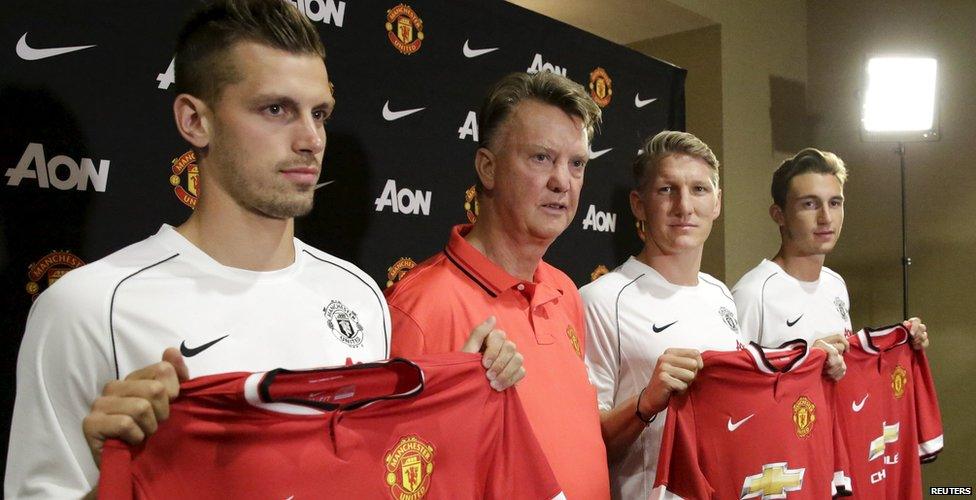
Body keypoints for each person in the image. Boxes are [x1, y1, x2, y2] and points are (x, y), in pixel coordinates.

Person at [4, 1, 520, 498]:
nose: (311, 139)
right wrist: (113, 474)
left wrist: (461, 388)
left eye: (319, 113)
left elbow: (375, 472)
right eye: (276, 109)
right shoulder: (88, 309)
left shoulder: (360, 295)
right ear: (194, 121)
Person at [384, 71, 610, 499]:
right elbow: (400, 480)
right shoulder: (419, 309)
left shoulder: (565, 292)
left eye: (576, 163)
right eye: (541, 158)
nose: (563, 181)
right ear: (487, 168)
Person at [579, 130, 744, 499]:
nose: (684, 206)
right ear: (638, 204)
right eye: (667, 190)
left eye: (699, 190)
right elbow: (583, 447)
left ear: (717, 203)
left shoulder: (721, 296)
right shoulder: (601, 301)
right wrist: (646, 402)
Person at [731, 148, 929, 361]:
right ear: (779, 215)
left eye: (834, 203)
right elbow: (734, 385)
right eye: (809, 204)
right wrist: (808, 360)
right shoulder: (752, 294)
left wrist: (902, 342)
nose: (825, 217)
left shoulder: (835, 285)